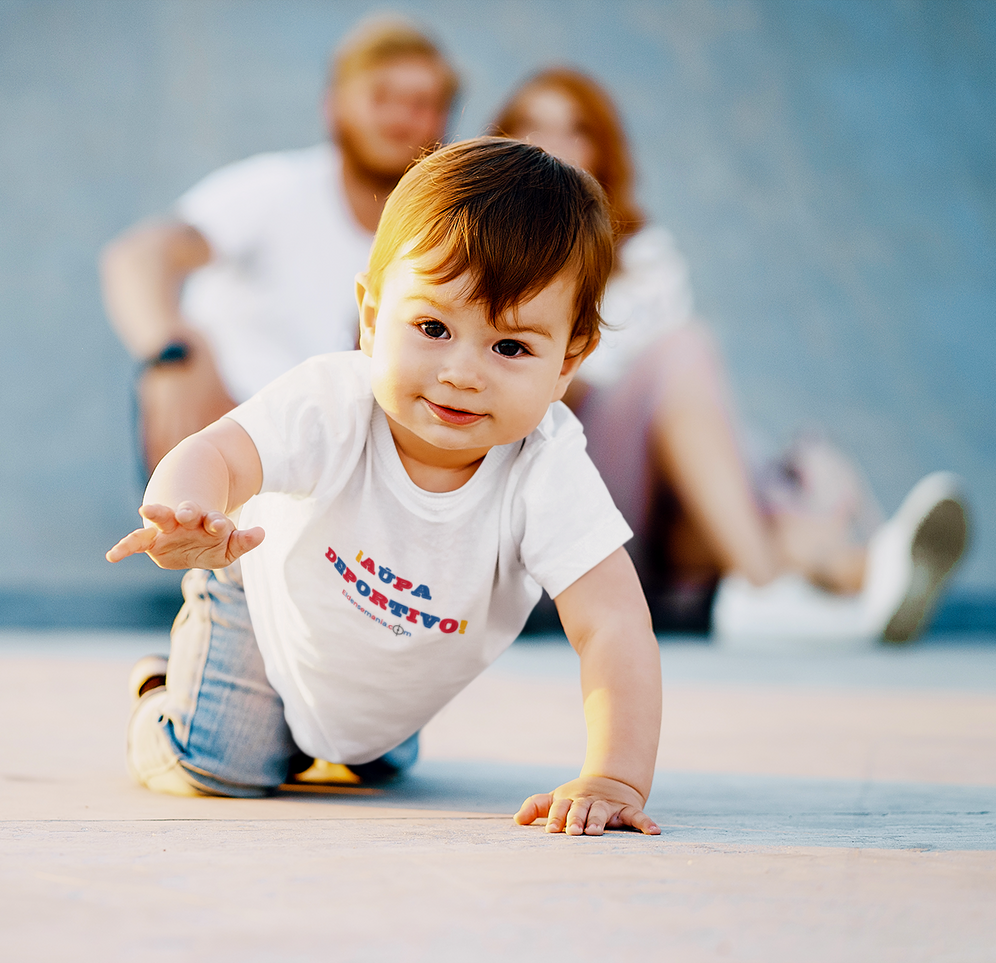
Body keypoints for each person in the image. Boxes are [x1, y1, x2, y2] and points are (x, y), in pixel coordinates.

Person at [107, 138, 662, 835]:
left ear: (567, 363)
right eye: (431, 327)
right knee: (227, 763)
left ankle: (346, 736)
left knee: (369, 761)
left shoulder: (545, 468)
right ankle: (162, 694)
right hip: (265, 606)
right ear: (371, 318)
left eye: (510, 346)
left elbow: (612, 623)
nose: (462, 371)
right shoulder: (330, 402)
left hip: (387, 677)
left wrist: (613, 775)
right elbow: (217, 452)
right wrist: (188, 510)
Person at [490, 67, 968, 645]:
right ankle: (823, 577)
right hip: (561, 490)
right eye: (532, 127)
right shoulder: (486, 251)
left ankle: (853, 578)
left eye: (574, 130)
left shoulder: (643, 258)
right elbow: (549, 391)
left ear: (602, 147)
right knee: (685, 350)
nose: (551, 145)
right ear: (503, 140)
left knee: (690, 382)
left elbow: (681, 415)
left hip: (661, 523)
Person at [100, 15, 458, 472]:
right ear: (334, 106)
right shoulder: (276, 189)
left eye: (422, 103)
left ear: (445, 119)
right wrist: (170, 352)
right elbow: (138, 256)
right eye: (381, 96)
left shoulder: (446, 235)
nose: (400, 117)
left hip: (340, 470)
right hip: (221, 437)